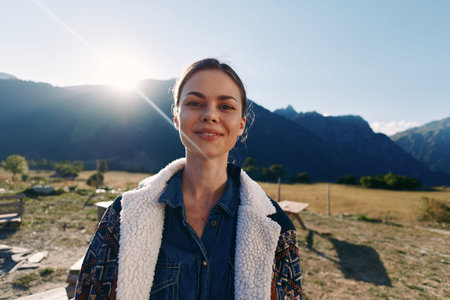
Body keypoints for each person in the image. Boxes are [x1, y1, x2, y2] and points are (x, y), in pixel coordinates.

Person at [75, 58, 302, 300]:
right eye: (195, 103)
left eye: (225, 106)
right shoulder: (123, 215)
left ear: (241, 125)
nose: (210, 115)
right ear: (176, 117)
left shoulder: (276, 227)